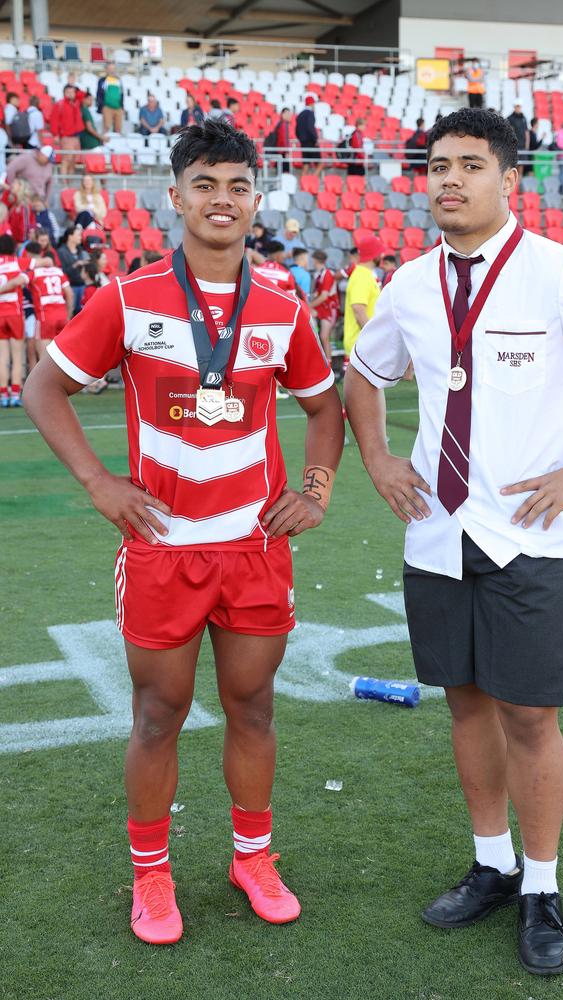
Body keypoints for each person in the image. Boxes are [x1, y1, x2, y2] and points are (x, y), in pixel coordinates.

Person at [344, 106, 563, 977]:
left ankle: (541, 888)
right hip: (438, 533)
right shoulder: (408, 284)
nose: (449, 179)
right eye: (437, 164)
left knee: (528, 713)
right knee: (465, 703)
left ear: (509, 179)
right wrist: (377, 460)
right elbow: (362, 379)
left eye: (470, 165)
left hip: (533, 540)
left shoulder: (562, 274)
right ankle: (491, 863)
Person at [23, 115, 344, 946]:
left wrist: (315, 488)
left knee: (254, 706)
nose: (222, 200)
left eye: (238, 185)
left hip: (254, 545)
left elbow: (322, 407)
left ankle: (252, 858)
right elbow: (44, 389)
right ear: (175, 196)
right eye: (205, 184)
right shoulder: (129, 297)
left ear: (256, 198)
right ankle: (153, 878)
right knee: (158, 714)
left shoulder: (281, 302)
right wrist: (99, 480)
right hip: (163, 545)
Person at [23, 240, 73, 360]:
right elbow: (69, 294)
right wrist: (68, 315)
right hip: (62, 316)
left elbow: (19, 282)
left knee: (44, 359)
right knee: (64, 358)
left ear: (28, 255)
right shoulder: (58, 271)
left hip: (45, 317)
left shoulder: (33, 273)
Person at [343, 233, 383, 360]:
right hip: (361, 345)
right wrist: (373, 338)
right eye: (380, 252)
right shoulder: (362, 276)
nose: (382, 255)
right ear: (374, 254)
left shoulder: (366, 274)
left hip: (363, 344)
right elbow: (359, 310)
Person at [0, 233, 29, 407]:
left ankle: (3, 395)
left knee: (2, 356)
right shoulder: (17, 262)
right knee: (17, 356)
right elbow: (44, 262)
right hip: (15, 313)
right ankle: (15, 393)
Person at [310, 249, 338, 363]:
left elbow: (324, 296)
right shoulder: (319, 274)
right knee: (317, 336)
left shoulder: (327, 274)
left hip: (329, 308)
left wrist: (309, 305)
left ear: (315, 260)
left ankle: (328, 364)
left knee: (324, 337)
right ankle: (320, 363)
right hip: (321, 307)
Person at [50, 85, 84, 174]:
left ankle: (70, 184)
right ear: (64, 93)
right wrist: (55, 134)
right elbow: (54, 120)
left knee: (73, 161)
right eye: (68, 92)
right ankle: (65, 184)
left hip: (76, 136)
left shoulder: (76, 103)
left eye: (72, 92)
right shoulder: (59, 104)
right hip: (66, 136)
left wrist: (73, 86)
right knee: (66, 160)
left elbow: (83, 94)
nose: (71, 94)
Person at [57, 224, 88, 314]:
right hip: (70, 287)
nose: (80, 237)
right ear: (70, 236)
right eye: (78, 235)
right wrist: (76, 265)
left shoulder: (81, 250)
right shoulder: (61, 252)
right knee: (70, 313)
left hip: (82, 285)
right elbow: (61, 272)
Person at [295, 94, 321, 175]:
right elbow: (310, 127)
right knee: (320, 163)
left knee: (306, 165)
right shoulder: (310, 113)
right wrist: (315, 139)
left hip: (303, 142)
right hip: (311, 142)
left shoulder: (300, 114)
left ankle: (303, 182)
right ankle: (312, 180)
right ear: (311, 103)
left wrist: (301, 139)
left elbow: (296, 130)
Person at [96, 62, 124, 134]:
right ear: (106, 70)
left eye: (113, 69)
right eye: (110, 69)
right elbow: (100, 93)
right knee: (107, 128)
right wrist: (102, 105)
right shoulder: (103, 80)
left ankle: (117, 144)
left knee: (118, 129)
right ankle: (106, 144)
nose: (112, 70)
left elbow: (121, 94)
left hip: (118, 107)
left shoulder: (118, 80)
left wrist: (122, 107)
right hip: (107, 107)